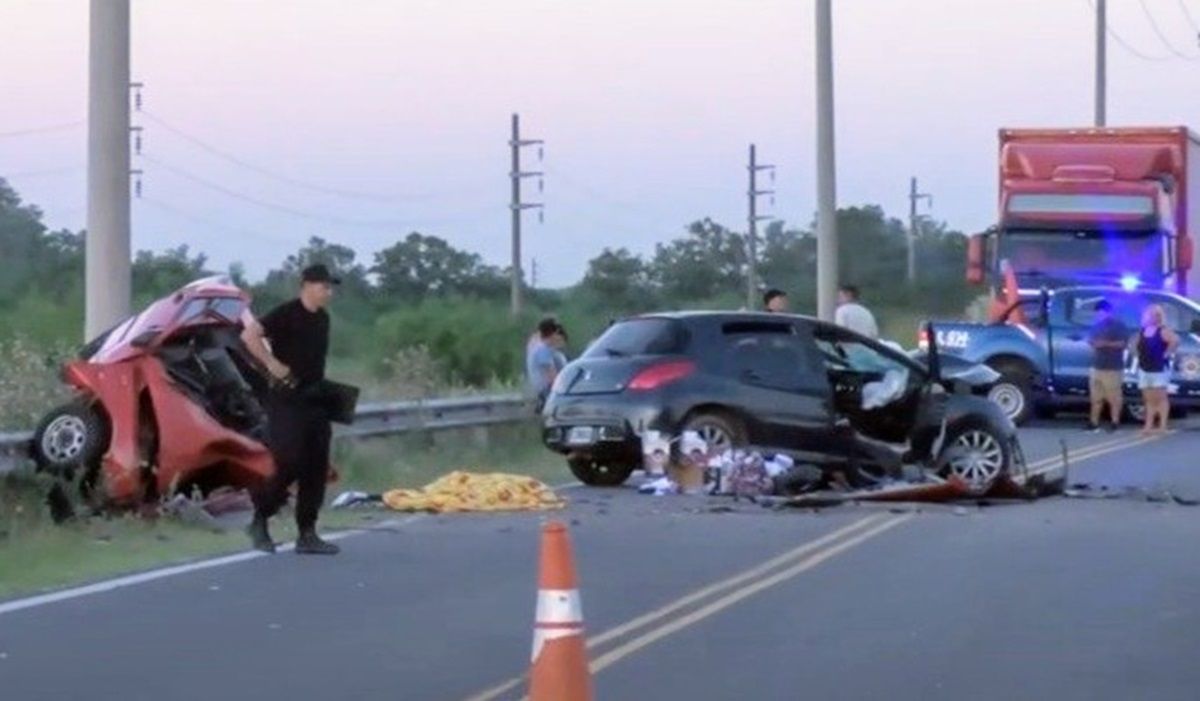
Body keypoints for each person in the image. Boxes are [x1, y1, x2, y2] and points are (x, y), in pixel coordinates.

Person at [241, 264, 342, 555]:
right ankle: (260, 517)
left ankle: (307, 532)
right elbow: (249, 335)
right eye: (324, 286)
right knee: (289, 461)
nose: (328, 292)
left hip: (315, 397)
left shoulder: (323, 319)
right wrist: (271, 364)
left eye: (330, 288)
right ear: (307, 285)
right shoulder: (287, 313)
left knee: (316, 466)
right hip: (287, 398)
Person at [1134, 303, 1179, 435]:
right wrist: (1137, 354)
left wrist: (1166, 353)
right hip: (1144, 368)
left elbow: (1175, 341)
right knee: (1148, 399)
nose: (1155, 317)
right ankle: (1148, 425)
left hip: (1159, 369)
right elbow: (1135, 344)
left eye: (1158, 314)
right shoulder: (1143, 330)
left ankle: (1162, 426)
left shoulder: (1163, 330)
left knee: (1160, 398)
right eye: (1152, 314)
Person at [1086, 300, 1128, 433]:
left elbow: (1122, 344)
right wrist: (1093, 343)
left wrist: (1104, 344)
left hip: (1113, 367)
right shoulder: (1095, 326)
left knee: (1114, 397)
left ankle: (1115, 422)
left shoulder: (1119, 326)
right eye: (1097, 313)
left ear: (1108, 312)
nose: (1099, 315)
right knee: (1095, 398)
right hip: (1096, 366)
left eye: (1101, 313)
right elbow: (1090, 340)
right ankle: (1094, 423)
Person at [526, 317, 560, 410]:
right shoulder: (543, 350)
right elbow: (551, 375)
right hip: (545, 391)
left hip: (540, 389)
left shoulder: (537, 345)